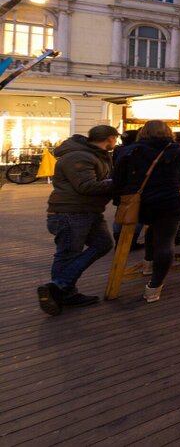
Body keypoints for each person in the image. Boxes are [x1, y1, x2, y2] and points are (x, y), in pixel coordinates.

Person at [38, 125, 121, 315]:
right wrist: (118, 183)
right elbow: (86, 186)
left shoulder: (93, 154)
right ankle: (61, 290)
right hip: (71, 212)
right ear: (109, 138)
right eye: (115, 140)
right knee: (68, 253)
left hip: (85, 210)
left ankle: (60, 287)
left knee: (103, 244)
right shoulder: (80, 156)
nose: (115, 143)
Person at [112, 120, 180, 302]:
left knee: (153, 229)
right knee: (165, 241)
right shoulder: (178, 150)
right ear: (169, 132)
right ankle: (154, 287)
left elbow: (118, 180)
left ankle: (148, 265)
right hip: (170, 202)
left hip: (139, 204)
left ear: (143, 132)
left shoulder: (128, 150)